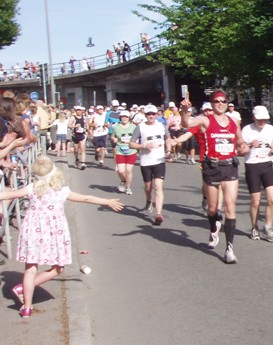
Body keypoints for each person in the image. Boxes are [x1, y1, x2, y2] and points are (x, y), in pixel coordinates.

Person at [0, 156, 123, 318]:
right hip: (54, 234)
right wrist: (106, 201)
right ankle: (22, 289)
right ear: (54, 172)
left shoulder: (31, 188)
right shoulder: (62, 191)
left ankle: (27, 308)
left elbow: (8, 195)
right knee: (58, 268)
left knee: (30, 269)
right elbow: (86, 198)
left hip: (33, 232)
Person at [180, 90, 249, 264]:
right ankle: (214, 224)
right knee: (212, 208)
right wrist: (184, 111)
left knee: (230, 206)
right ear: (211, 103)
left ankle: (229, 249)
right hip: (212, 166)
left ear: (227, 103)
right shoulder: (205, 120)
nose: (220, 103)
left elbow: (240, 141)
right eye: (216, 101)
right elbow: (187, 122)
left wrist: (243, 147)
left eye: (223, 101)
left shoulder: (233, 122)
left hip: (229, 166)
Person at [242, 105, 273, 242]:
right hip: (252, 165)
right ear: (253, 118)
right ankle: (254, 226)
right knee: (255, 201)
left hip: (267, 164)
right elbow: (240, 150)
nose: (262, 122)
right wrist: (250, 145)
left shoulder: (269, 128)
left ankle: (268, 227)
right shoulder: (247, 130)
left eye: (264, 119)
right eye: (259, 120)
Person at [130, 104, 172, 225]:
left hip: (159, 161)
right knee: (148, 187)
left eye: (153, 114)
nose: (151, 116)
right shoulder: (140, 127)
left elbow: (167, 139)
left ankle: (158, 213)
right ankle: (149, 200)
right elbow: (131, 144)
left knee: (158, 187)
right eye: (149, 114)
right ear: (145, 115)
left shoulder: (161, 126)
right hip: (145, 162)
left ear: (157, 114)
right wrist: (143, 146)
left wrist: (168, 151)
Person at [111, 110, 137, 195]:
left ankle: (128, 187)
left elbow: (137, 136)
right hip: (120, 150)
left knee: (128, 170)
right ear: (120, 118)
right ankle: (123, 180)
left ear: (129, 118)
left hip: (131, 150)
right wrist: (114, 139)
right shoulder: (116, 127)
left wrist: (135, 142)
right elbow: (112, 136)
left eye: (126, 117)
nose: (124, 118)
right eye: (123, 117)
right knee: (121, 171)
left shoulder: (133, 127)